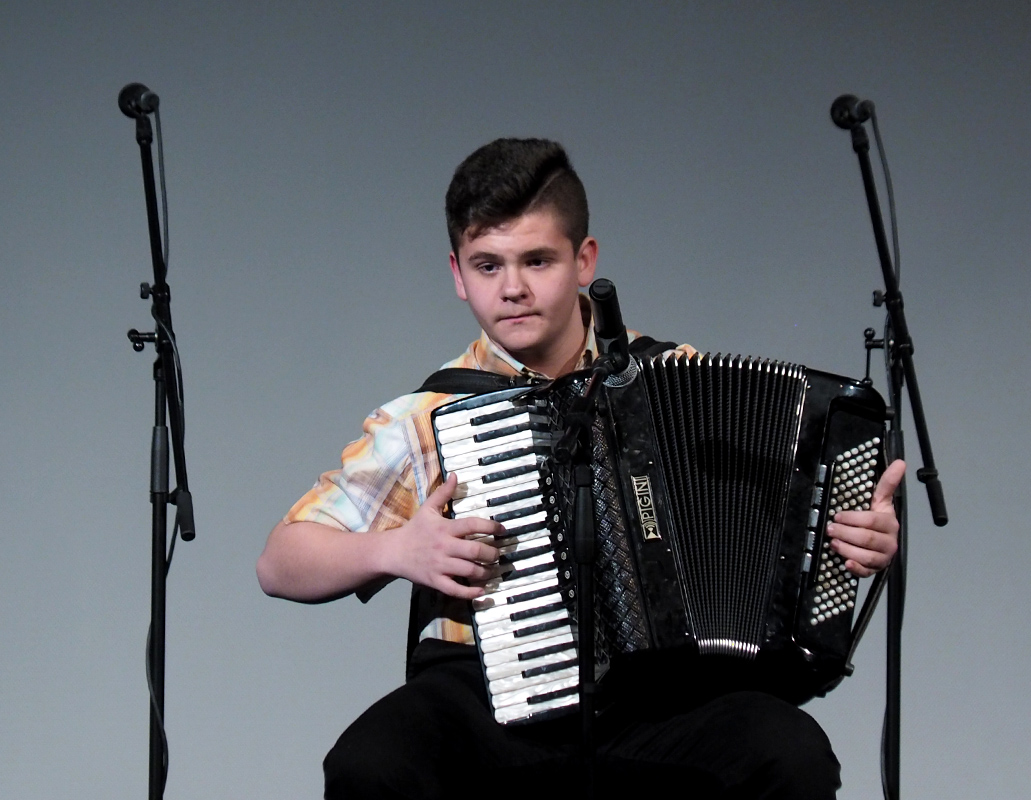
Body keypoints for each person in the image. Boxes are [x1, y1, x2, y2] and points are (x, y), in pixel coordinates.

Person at [257, 137, 904, 799]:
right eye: (487, 266)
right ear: (457, 274)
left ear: (584, 260)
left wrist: (852, 535)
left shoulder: (672, 378)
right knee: (369, 765)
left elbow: (782, 515)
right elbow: (280, 563)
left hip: (661, 697)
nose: (512, 288)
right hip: (485, 698)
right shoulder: (427, 417)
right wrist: (397, 551)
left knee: (789, 756)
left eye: (537, 260)